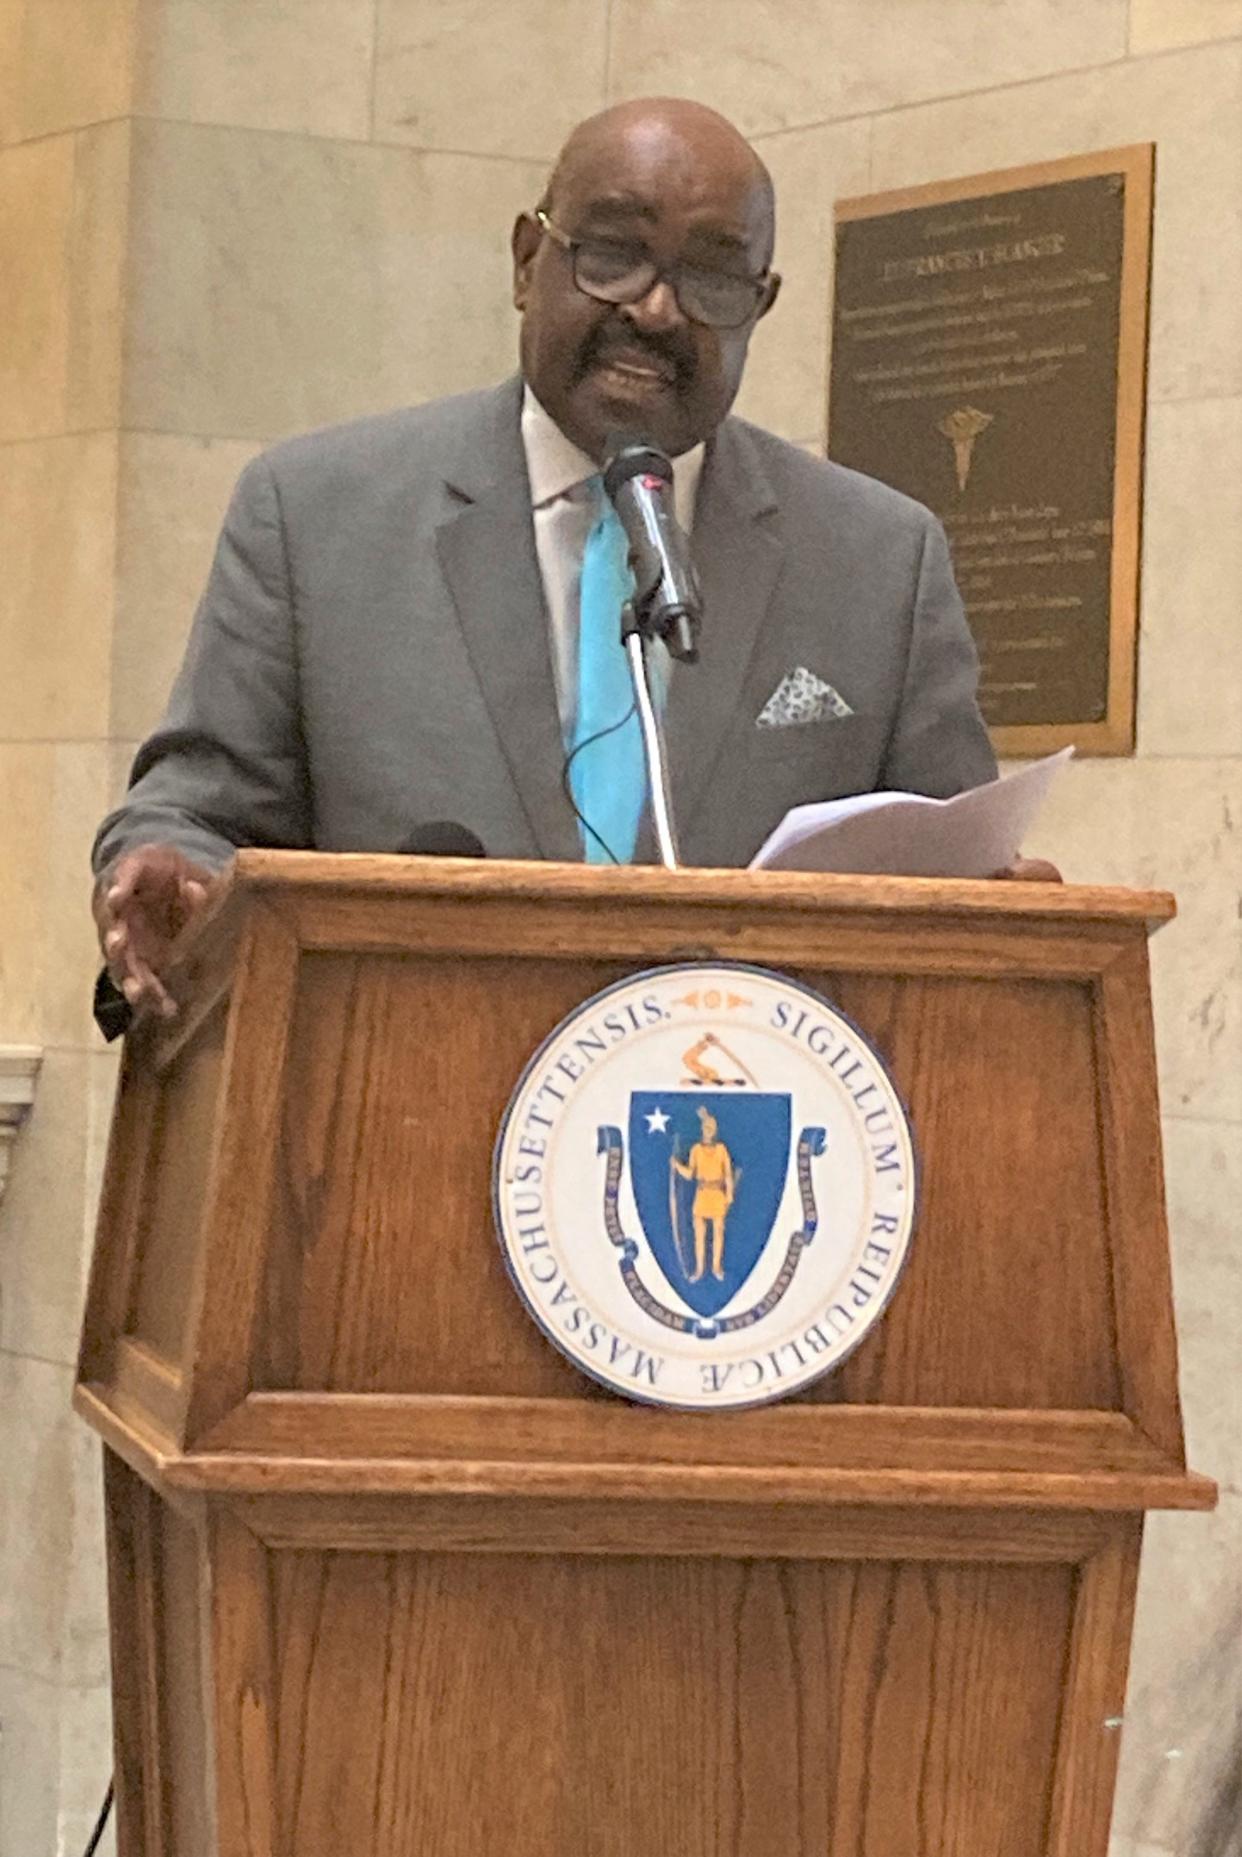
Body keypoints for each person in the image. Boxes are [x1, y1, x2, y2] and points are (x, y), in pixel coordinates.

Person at [92, 96, 1049, 1032]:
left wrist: (1011, 921)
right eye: (614, 256)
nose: (659, 309)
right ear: (526, 260)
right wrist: (169, 867)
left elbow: (952, 881)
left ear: (762, 304)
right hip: (392, 1131)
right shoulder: (314, 515)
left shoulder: (881, 559)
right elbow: (196, 809)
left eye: (714, 276)